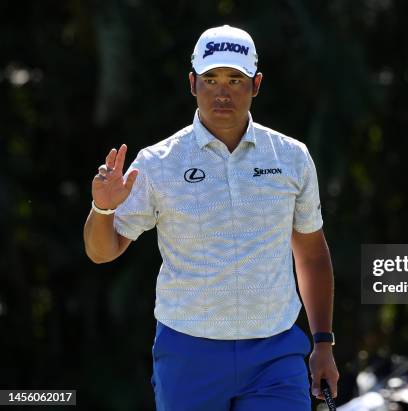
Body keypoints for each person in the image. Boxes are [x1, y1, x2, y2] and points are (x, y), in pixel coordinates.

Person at [83, 25, 339, 410]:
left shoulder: (291, 158)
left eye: (235, 80)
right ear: (192, 83)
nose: (223, 91)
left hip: (275, 355)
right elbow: (102, 252)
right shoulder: (157, 163)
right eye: (211, 79)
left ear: (256, 84)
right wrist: (102, 208)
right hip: (189, 355)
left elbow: (311, 254)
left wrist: (323, 342)